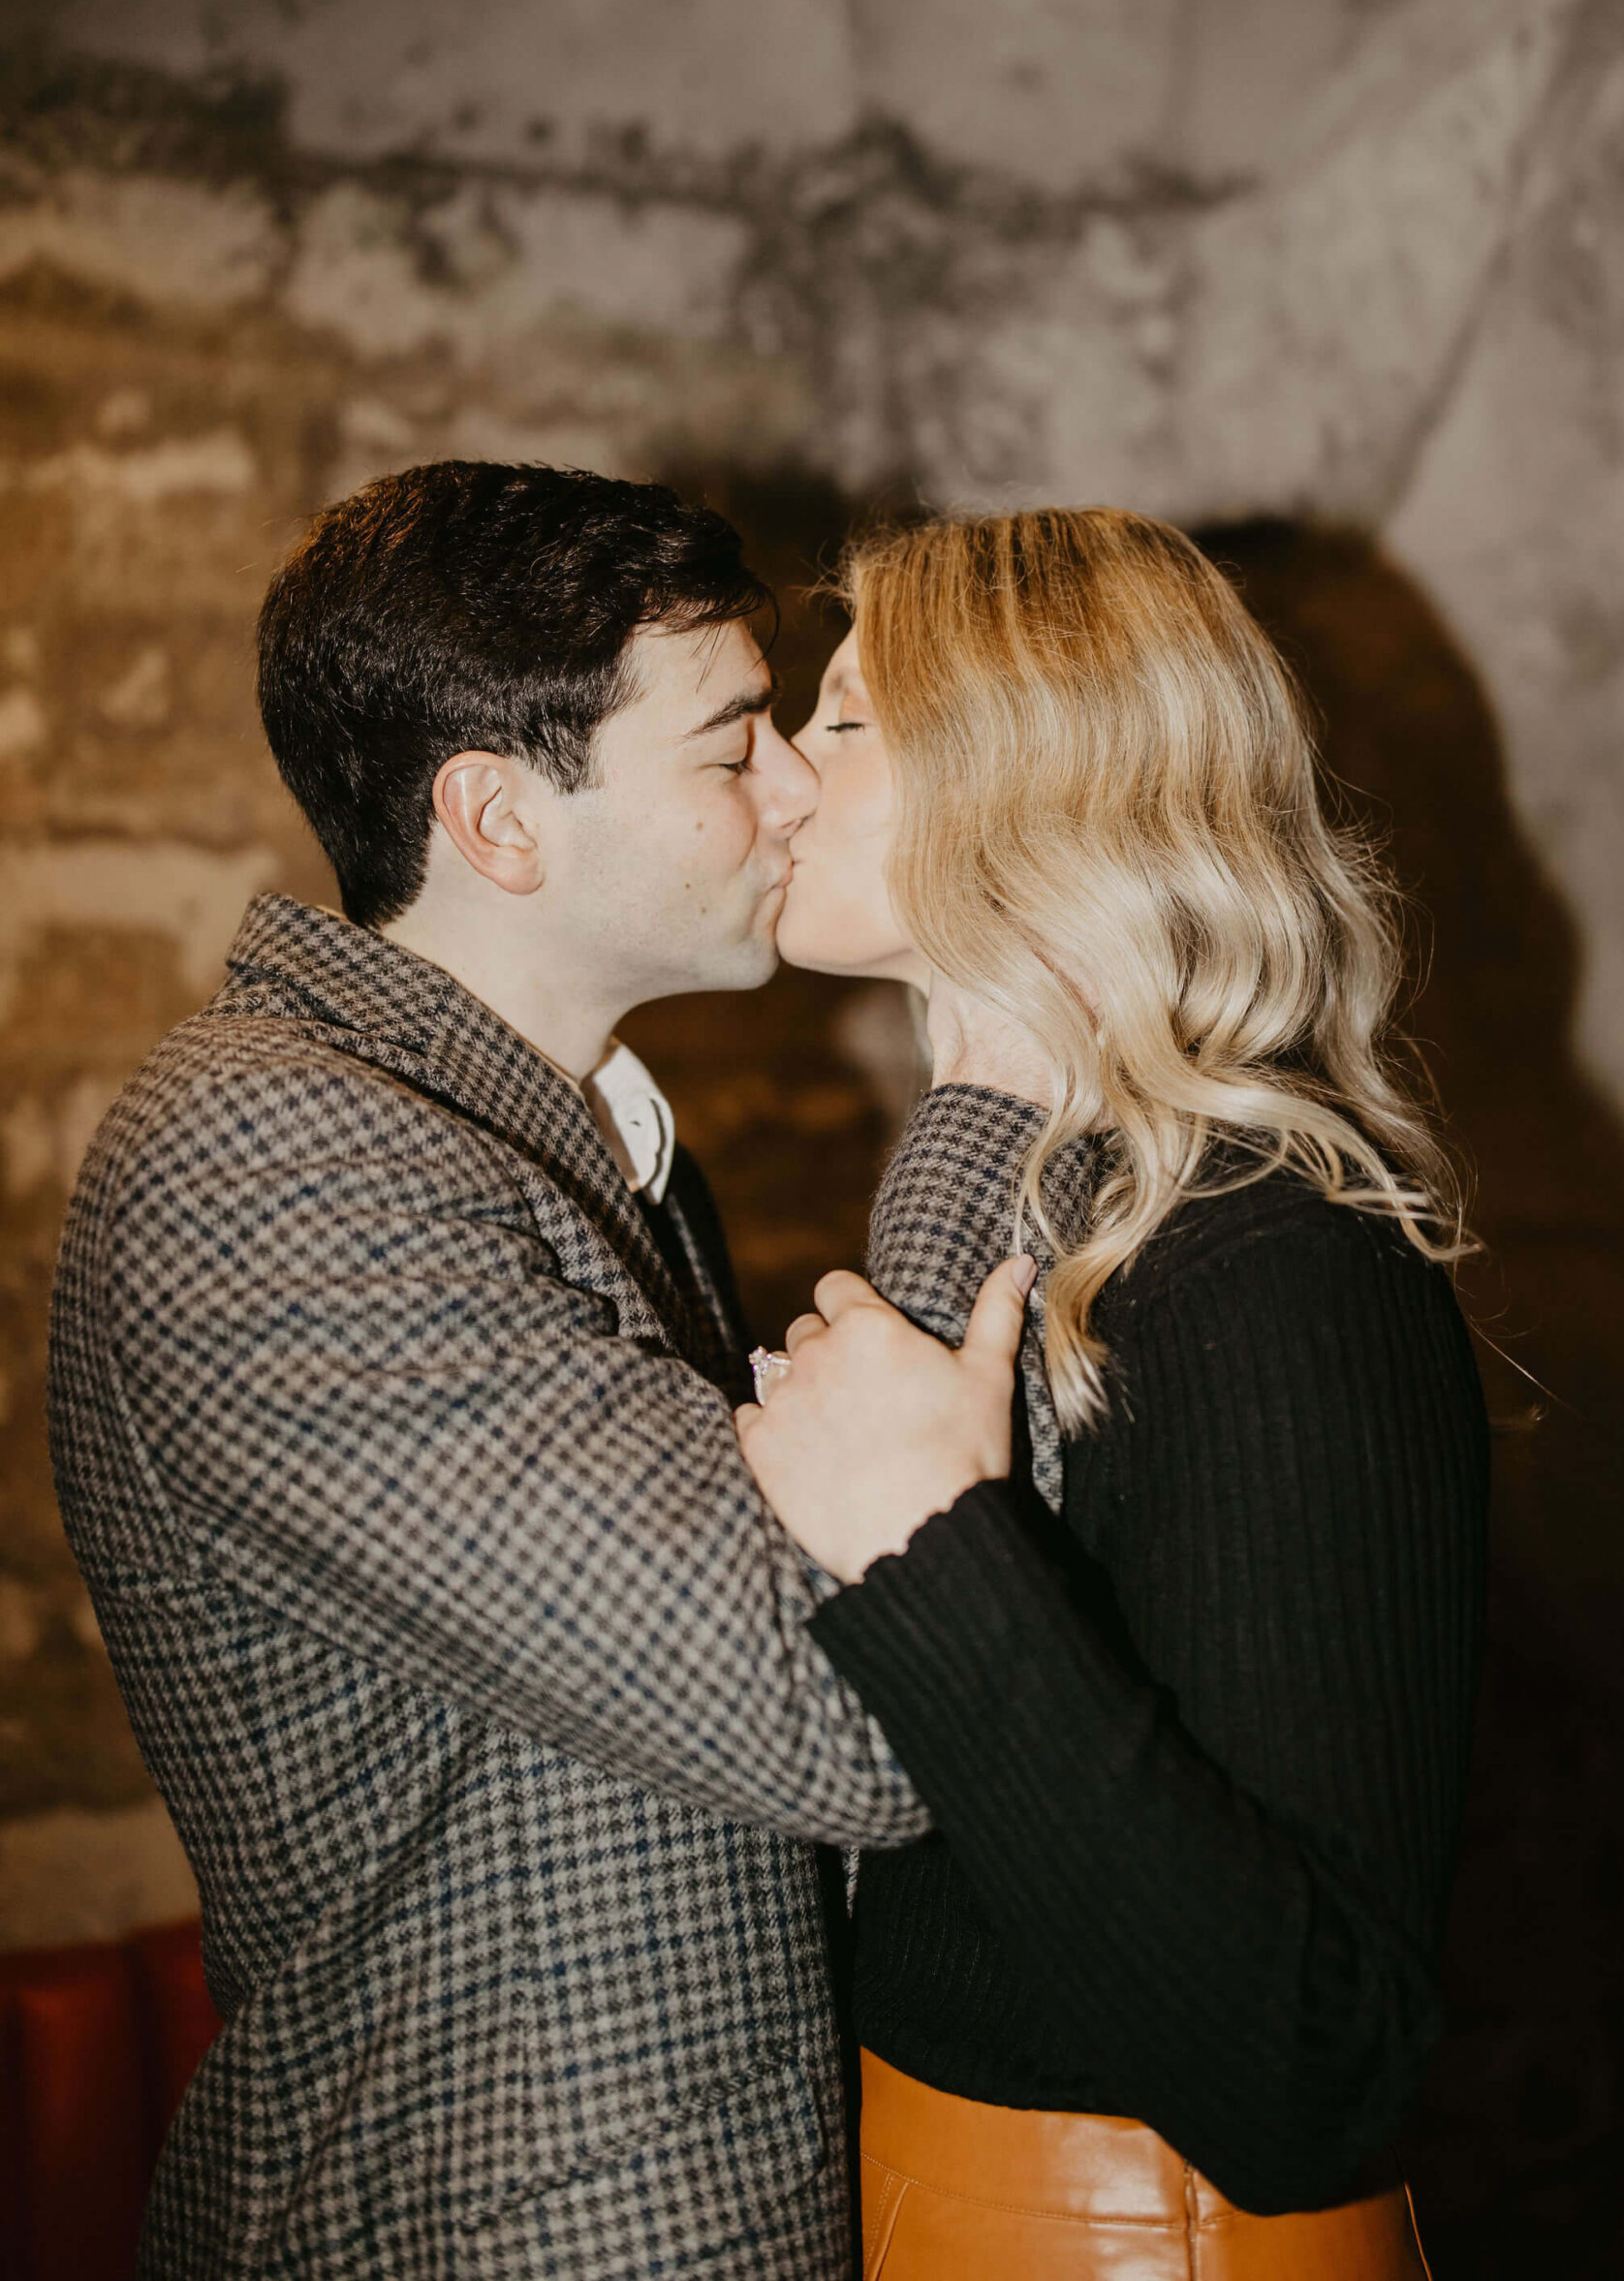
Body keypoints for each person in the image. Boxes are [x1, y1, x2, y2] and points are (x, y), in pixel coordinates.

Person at [47, 462, 1035, 2281]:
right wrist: (990, 1092)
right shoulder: (269, 1163)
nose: (803, 784)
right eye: (738, 744)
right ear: (501, 819)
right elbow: (868, 1703)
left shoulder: (548, 1143)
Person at [738, 506, 1488, 2279]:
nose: (775, 767)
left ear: (1035, 778)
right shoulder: (1051, 1206)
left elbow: (1319, 2064)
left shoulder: (1271, 1254)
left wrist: (929, 1541)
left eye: (843, 718)